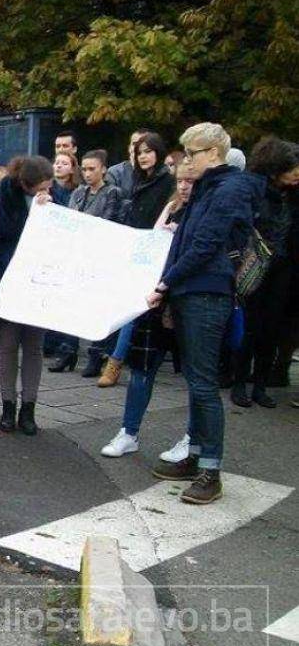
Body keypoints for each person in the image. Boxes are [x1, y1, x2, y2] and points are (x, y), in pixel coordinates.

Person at [146, 122, 260, 505]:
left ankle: (210, 469)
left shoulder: (228, 189)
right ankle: (196, 457)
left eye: (191, 153)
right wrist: (168, 284)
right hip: (193, 291)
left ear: (213, 154)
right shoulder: (210, 189)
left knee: (204, 385)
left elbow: (205, 244)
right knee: (197, 381)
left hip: (207, 294)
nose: (185, 160)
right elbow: (184, 241)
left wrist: (165, 283)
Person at [100, 166, 198, 461]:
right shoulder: (170, 207)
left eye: (190, 182)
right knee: (143, 369)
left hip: (185, 300)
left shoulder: (203, 213)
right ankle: (129, 432)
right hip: (156, 300)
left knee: (197, 377)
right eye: (180, 180)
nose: (184, 187)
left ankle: (193, 439)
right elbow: (149, 247)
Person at [0, 156, 55, 435]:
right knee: (8, 345)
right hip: (7, 280)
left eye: (49, 186)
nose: (46, 191)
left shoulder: (54, 199)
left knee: (34, 346)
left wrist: (47, 212)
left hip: (40, 282)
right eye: (41, 187)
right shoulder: (0, 196)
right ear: (25, 182)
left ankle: (29, 408)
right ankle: (8, 406)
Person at [93, 132, 176, 387]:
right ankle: (118, 359)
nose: (143, 157)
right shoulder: (138, 181)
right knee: (133, 308)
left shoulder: (167, 182)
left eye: (149, 151)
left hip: (157, 253)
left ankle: (115, 362)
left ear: (159, 153)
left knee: (136, 308)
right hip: (136, 250)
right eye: (140, 152)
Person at [231, 137, 299, 408]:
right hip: (256, 265)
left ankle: (260, 385)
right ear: (276, 167)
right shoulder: (256, 192)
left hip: (286, 270)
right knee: (249, 326)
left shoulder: (293, 197)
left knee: (272, 328)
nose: (296, 172)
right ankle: (239, 383)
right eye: (292, 167)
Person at [50, 149, 124, 372]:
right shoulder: (79, 192)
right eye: (84, 169)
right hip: (77, 253)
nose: (88, 173)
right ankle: (68, 350)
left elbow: (108, 221)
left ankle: (97, 353)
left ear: (103, 169)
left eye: (92, 168)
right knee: (72, 304)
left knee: (95, 306)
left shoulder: (112, 193)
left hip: (99, 255)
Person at [107, 128, 152, 200]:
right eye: (134, 144)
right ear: (129, 148)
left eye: (142, 144)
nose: (137, 148)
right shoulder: (114, 173)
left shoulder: (160, 173)